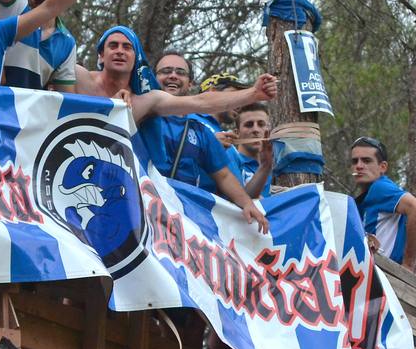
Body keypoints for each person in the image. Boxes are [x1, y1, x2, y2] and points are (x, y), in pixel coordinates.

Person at [88, 26, 276, 233]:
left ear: (190, 82)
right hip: (127, 206)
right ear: (152, 76)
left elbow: (222, 175)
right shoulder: (137, 105)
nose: (173, 76)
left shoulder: (202, 131)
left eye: (180, 72)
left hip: (179, 224)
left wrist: (247, 204)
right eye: (165, 71)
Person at [349, 136, 416, 276]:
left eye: (366, 160)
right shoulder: (391, 210)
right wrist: (414, 281)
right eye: (354, 161)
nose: (359, 166)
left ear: (382, 167)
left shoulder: (380, 188)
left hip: (381, 279)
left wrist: (407, 267)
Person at [231, 103, 274, 198]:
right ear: (236, 133)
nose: (256, 130)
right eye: (249, 125)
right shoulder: (229, 162)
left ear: (269, 130)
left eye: (261, 124)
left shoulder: (277, 167)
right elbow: (239, 202)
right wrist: (265, 166)